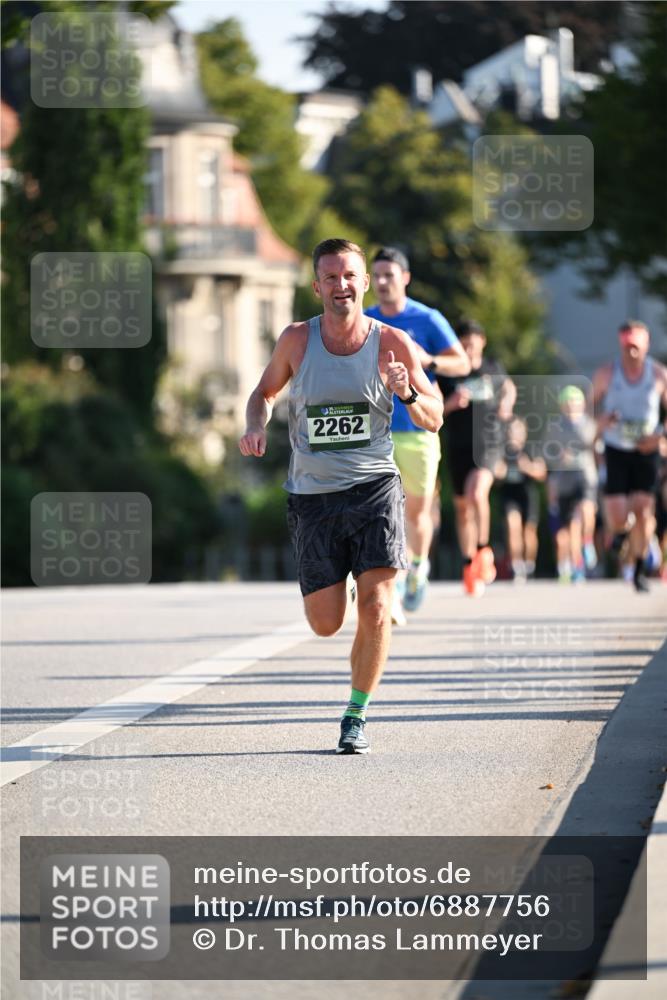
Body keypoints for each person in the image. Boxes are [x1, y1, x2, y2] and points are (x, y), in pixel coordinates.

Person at [239, 238, 443, 754]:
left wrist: (408, 392)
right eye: (331, 277)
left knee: (377, 606)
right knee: (326, 623)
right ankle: (343, 584)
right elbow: (262, 394)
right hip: (313, 497)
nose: (342, 285)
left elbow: (434, 417)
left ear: (365, 282)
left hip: (375, 488)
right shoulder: (296, 341)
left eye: (350, 275)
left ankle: (356, 715)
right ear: (317, 286)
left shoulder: (391, 342)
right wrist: (255, 425)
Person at [366, 247, 470, 621]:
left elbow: (464, 361)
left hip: (420, 430)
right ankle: (390, 588)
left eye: (388, 275)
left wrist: (429, 361)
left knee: (416, 514)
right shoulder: (367, 321)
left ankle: (419, 566)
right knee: (382, 513)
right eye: (375, 276)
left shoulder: (427, 318)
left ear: (405, 278)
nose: (381, 283)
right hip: (377, 433)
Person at [438, 320, 516, 595]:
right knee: (462, 508)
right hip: (458, 446)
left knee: (477, 493)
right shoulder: (449, 373)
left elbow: (508, 388)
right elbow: (435, 411)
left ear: (482, 342)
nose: (470, 348)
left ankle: (484, 551)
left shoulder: (493, 367)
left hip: (489, 443)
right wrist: (451, 403)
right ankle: (468, 562)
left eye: (474, 342)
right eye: (464, 343)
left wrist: (506, 405)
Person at [592, 320, 667, 592]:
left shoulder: (658, 375)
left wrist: (658, 437)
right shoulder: (607, 374)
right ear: (620, 345)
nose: (631, 352)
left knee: (644, 511)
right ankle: (621, 534)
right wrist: (600, 422)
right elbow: (589, 407)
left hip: (647, 451)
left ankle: (637, 569)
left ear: (646, 345)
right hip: (616, 448)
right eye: (627, 347)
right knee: (619, 516)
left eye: (636, 347)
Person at [546, 386, 598, 583]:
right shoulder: (555, 426)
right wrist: (557, 455)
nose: (571, 408)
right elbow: (548, 452)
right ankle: (577, 566)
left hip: (585, 474)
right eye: (567, 404)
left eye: (575, 404)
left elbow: (589, 442)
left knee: (586, 510)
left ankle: (588, 542)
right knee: (573, 524)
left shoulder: (589, 424)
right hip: (564, 478)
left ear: (582, 405)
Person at [495, 416, 546, 581]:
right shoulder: (501, 451)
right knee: (512, 525)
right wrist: (499, 473)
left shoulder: (530, 449)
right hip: (509, 494)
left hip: (527, 494)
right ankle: (516, 565)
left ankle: (529, 564)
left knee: (529, 532)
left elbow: (542, 473)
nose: (514, 434)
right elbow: (495, 474)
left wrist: (527, 468)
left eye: (517, 430)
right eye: (511, 430)